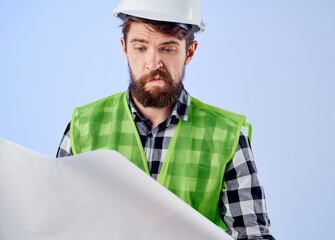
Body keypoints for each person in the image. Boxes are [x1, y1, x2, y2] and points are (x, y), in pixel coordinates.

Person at [57, 0, 275, 239]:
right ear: (125, 48)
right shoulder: (84, 128)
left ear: (189, 52)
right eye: (141, 48)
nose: (154, 63)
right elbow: (56, 224)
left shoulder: (226, 136)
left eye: (168, 48)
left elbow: (252, 234)